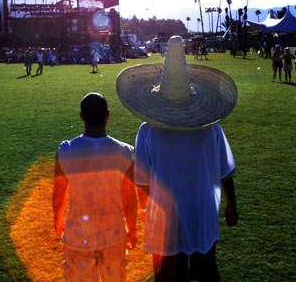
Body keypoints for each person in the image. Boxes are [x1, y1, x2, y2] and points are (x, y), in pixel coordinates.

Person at [116, 35, 238, 282]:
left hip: (165, 215)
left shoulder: (148, 130)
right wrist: (231, 204)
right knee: (207, 268)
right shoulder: (210, 127)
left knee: (171, 274)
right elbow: (225, 171)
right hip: (203, 209)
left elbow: (142, 181)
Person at [52, 92, 137, 282]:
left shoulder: (66, 150)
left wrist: (58, 220)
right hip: (113, 235)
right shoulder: (124, 152)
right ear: (107, 115)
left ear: (81, 117)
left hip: (78, 234)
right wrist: (132, 229)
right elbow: (129, 199)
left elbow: (59, 193)